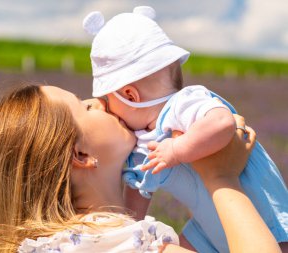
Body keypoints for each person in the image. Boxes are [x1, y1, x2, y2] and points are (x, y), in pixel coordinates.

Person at [0, 84, 281, 253]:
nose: (102, 101)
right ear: (80, 154)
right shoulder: (129, 245)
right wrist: (221, 179)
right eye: (85, 107)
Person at [82, 6, 288, 252]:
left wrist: (178, 150)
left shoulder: (183, 104)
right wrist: (128, 232)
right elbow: (139, 189)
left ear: (130, 95)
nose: (107, 109)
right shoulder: (140, 143)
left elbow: (222, 123)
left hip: (261, 214)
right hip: (206, 227)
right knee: (179, 243)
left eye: (108, 100)